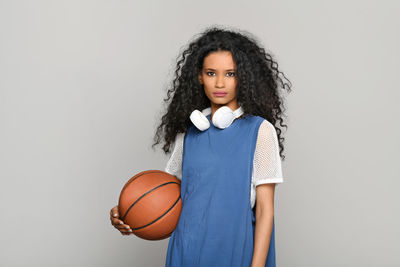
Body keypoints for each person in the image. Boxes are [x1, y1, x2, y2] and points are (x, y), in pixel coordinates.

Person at [110, 26, 292, 267]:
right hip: (187, 246)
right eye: (210, 73)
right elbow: (164, 193)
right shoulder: (190, 131)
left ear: (244, 78)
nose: (219, 82)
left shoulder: (260, 131)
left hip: (234, 247)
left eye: (230, 74)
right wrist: (128, 211)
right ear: (199, 77)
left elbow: (264, 211)